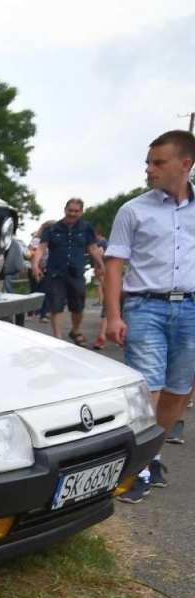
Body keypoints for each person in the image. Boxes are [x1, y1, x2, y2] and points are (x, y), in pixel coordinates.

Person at [103, 129, 195, 503]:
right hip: (145, 306)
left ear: (185, 165)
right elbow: (114, 264)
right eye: (148, 162)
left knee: (177, 392)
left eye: (158, 162)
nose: (149, 170)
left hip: (190, 307)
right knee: (148, 389)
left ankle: (153, 455)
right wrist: (113, 315)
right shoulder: (133, 210)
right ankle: (137, 470)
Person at [35, 198, 103, 344]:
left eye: (76, 211)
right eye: (70, 210)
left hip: (76, 273)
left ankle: (76, 330)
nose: (72, 214)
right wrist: (36, 265)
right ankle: (58, 338)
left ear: (81, 212)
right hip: (56, 273)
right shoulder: (52, 229)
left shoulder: (86, 228)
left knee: (78, 306)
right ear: (65, 210)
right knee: (56, 305)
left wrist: (101, 265)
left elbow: (92, 248)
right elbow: (41, 248)